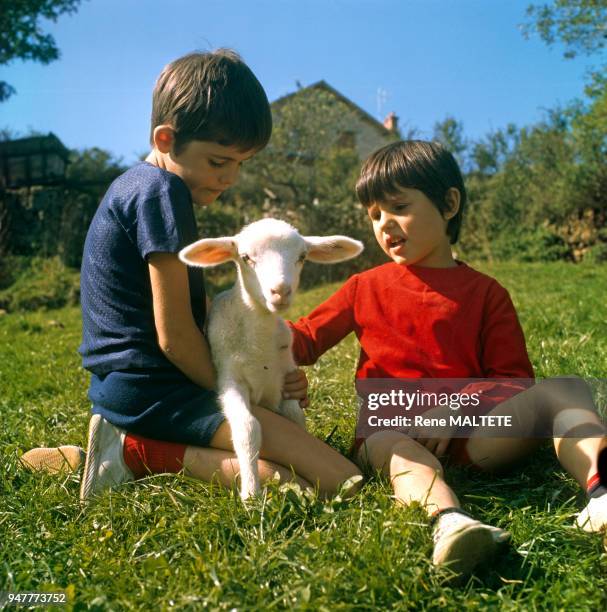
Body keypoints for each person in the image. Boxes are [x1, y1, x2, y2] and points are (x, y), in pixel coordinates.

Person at [20, 49, 361, 502]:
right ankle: (133, 450)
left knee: (321, 476)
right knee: (329, 480)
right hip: (152, 393)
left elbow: (199, 317)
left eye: (241, 163)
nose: (230, 178)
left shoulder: (142, 186)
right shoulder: (161, 193)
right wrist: (247, 394)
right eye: (219, 162)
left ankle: (105, 452)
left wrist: (268, 377)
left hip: (131, 390)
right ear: (165, 139)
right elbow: (175, 337)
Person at [285, 140, 607, 575]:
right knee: (389, 444)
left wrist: (457, 408)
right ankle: (450, 523)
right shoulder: (363, 286)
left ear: (449, 203)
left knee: (564, 390)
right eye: (375, 215)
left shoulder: (487, 293)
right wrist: (242, 318)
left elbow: (513, 378)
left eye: (398, 206)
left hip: (474, 435)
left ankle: (600, 491)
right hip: (390, 429)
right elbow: (301, 340)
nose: (385, 224)